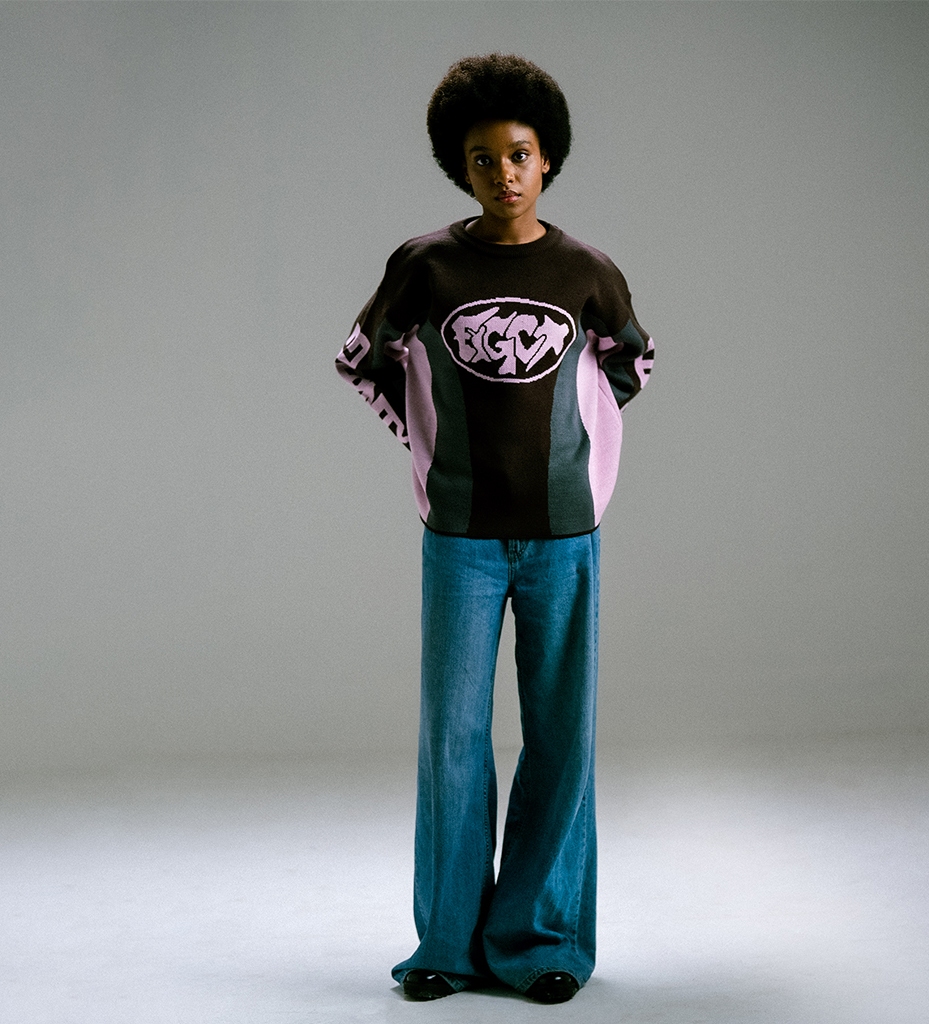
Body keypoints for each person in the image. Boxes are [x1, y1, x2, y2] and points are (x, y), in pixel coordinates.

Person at [335, 53, 653, 1004]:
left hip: (564, 538)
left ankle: (542, 942)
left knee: (561, 738)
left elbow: (633, 363)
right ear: (460, 167)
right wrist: (427, 443)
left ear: (547, 158)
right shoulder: (425, 265)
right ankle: (446, 944)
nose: (504, 174)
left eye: (519, 154)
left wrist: (585, 451)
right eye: (483, 159)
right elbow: (361, 357)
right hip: (461, 540)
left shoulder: (587, 271)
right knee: (453, 740)